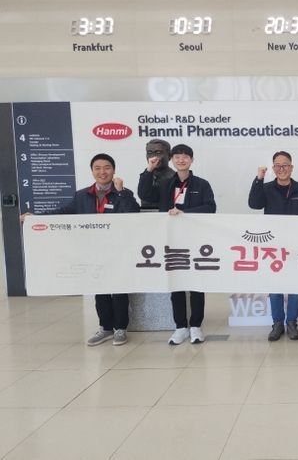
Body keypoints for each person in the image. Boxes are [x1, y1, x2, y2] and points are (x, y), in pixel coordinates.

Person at [22, 153, 140, 346]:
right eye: (97, 168)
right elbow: (65, 213)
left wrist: (120, 192)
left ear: (114, 170)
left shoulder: (123, 193)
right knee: (99, 289)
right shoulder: (82, 195)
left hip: (117, 250)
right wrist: (36, 218)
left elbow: (133, 213)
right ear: (92, 171)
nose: (102, 172)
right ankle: (105, 328)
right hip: (92, 250)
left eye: (107, 167)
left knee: (119, 289)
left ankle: (120, 329)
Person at [138, 143, 216, 345]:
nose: (181, 160)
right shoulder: (166, 184)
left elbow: (210, 207)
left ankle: (196, 326)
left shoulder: (202, 184)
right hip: (171, 240)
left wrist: (185, 213)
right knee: (176, 284)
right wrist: (149, 170)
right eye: (177, 157)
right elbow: (145, 194)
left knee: (196, 284)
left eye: (185, 157)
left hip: (195, 240)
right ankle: (180, 327)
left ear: (192, 160)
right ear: (172, 160)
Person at [248, 151, 298, 341]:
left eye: (285, 165)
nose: (281, 169)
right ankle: (277, 323)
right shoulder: (266, 188)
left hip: (296, 246)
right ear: (273, 168)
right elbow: (254, 204)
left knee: (295, 286)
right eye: (277, 165)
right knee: (275, 285)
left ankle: (292, 323)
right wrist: (259, 179)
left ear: (291, 167)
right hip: (273, 247)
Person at [138, 139, 175, 211]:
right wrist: (149, 171)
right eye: (149, 153)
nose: (153, 157)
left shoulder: (172, 177)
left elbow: (146, 195)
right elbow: (142, 194)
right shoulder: (146, 174)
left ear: (169, 156)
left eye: (158, 153)